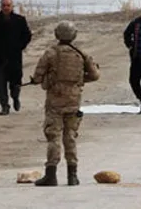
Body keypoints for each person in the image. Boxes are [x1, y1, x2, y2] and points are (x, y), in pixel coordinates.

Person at [32, 21, 101, 187]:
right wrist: (77, 81)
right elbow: (95, 75)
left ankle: (51, 174)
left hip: (55, 101)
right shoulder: (81, 54)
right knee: (70, 137)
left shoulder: (50, 53)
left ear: (57, 35)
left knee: (53, 137)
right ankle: (72, 175)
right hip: (74, 100)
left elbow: (37, 76)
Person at [0, 0, 32, 115]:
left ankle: (15, 97)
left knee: (15, 84)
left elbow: (27, 36)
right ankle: (4, 106)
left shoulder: (20, 20)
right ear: (1, 7)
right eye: (4, 5)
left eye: (8, 5)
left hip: (14, 57)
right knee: (0, 84)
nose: (6, 8)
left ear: (12, 6)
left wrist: (19, 46)